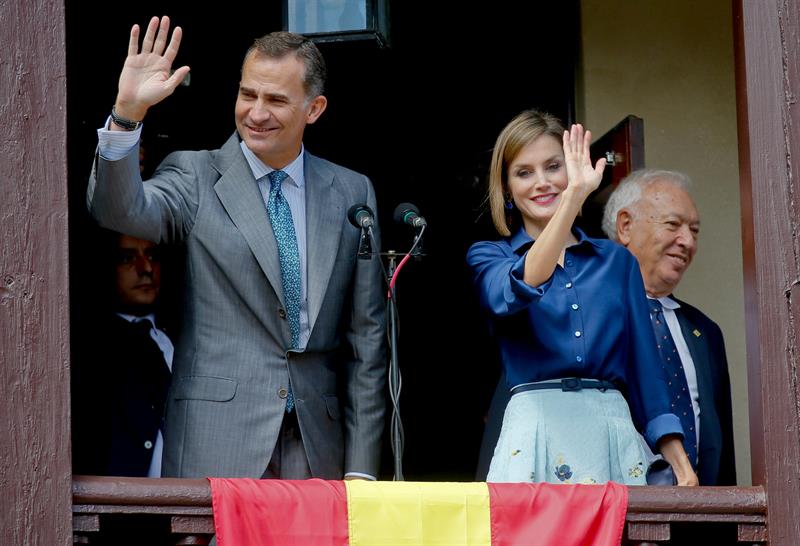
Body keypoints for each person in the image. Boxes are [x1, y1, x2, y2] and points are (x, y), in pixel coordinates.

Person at [86, 16, 386, 480]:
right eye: (248, 94)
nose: (257, 112)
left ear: (315, 108)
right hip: (217, 439)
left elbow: (366, 341)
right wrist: (127, 114)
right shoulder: (196, 176)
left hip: (317, 447)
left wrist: (362, 470)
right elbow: (117, 210)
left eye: (276, 100)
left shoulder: (351, 191)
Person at [466, 109, 698, 485]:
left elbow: (647, 374)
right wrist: (573, 196)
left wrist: (682, 465)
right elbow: (517, 287)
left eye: (553, 167)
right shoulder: (491, 256)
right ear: (507, 188)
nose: (542, 182)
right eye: (524, 172)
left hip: (611, 432)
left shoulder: (617, 262)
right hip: (534, 433)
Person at [602, 169, 736, 485]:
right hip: (618, 517)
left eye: (694, 230)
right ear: (625, 226)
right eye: (673, 225)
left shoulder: (705, 332)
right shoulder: (590, 318)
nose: (687, 241)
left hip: (699, 515)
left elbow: (722, 444)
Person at [72, 231, 173, 477]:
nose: (146, 267)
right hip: (119, 505)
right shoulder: (85, 347)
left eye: (152, 255)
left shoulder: (184, 339)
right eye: (127, 258)